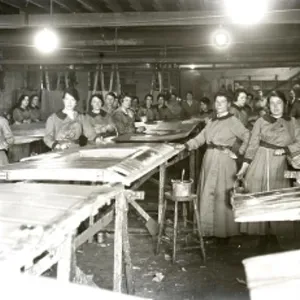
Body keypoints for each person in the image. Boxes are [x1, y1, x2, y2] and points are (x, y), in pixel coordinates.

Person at [237, 90, 300, 251]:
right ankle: (263, 236)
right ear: (268, 105)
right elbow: (252, 145)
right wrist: (244, 167)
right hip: (261, 160)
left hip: (280, 164)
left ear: (285, 104)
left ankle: (275, 235)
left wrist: (286, 149)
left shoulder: (292, 122)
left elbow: (299, 142)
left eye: (279, 103)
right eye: (272, 103)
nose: (276, 107)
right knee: (261, 197)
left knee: (278, 198)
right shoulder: (261, 121)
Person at [184, 91, 250, 241]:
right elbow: (201, 138)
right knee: (208, 192)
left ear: (228, 104)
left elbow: (248, 136)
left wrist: (237, 152)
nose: (219, 104)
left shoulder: (233, 121)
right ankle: (208, 230)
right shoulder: (212, 121)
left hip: (224, 161)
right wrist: (186, 145)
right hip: (209, 159)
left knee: (221, 196)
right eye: (217, 102)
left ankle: (224, 233)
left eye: (222, 101)